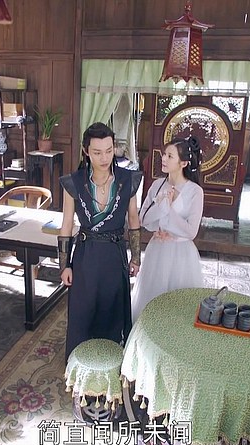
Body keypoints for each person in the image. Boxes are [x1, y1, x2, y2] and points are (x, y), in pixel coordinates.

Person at [58, 122, 143, 361]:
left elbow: (133, 220)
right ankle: (80, 366)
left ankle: (109, 365)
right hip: (86, 254)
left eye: (109, 150)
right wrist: (64, 265)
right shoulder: (73, 182)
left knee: (112, 311)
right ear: (86, 152)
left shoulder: (128, 180)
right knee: (83, 313)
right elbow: (66, 224)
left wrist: (136, 257)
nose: (104, 158)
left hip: (115, 254)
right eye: (97, 152)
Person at [130, 136, 204, 323]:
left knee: (178, 304)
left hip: (181, 254)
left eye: (170, 156)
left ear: (183, 163)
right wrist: (160, 211)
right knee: (152, 297)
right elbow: (144, 219)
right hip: (157, 249)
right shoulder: (157, 185)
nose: (163, 158)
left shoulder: (195, 191)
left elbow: (191, 232)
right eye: (164, 154)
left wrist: (168, 209)